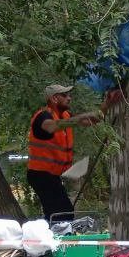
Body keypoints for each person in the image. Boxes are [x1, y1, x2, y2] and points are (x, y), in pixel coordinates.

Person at [27, 85, 101, 221]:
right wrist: (81, 116)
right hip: (40, 174)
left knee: (64, 213)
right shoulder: (43, 116)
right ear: (54, 98)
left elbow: (90, 121)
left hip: (51, 175)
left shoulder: (65, 115)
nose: (69, 98)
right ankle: (52, 231)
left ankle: (52, 229)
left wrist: (107, 104)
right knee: (61, 214)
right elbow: (52, 126)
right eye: (65, 95)